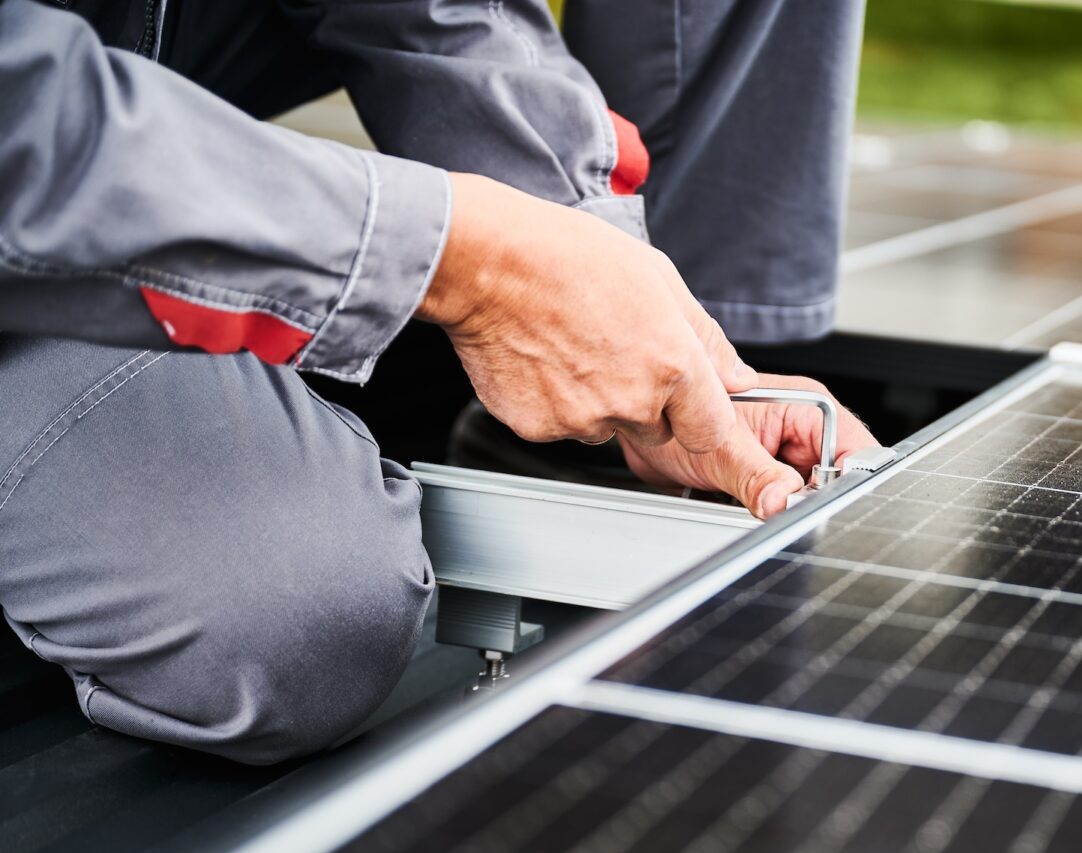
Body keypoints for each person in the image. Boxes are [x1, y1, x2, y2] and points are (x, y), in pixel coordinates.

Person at [0, 0, 872, 764]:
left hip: (140, 52)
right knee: (292, 616)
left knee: (303, 615)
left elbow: (439, 10)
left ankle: (608, 429)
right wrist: (462, 265)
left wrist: (630, 311)